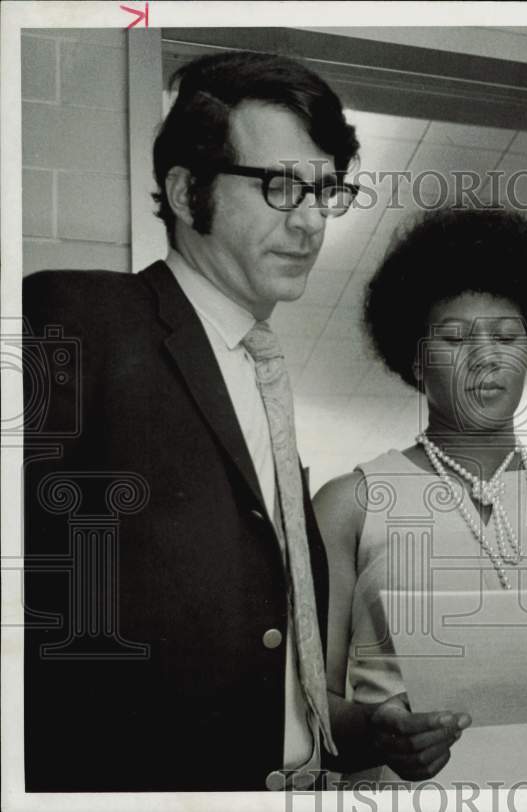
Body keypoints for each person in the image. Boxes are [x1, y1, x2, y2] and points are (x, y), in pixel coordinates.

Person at [22, 51, 359, 791]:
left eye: (327, 191)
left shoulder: (260, 369)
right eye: (279, 186)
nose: (310, 222)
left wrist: (348, 734)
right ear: (185, 190)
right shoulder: (74, 318)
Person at [313, 208, 527, 789]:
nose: (486, 357)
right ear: (414, 358)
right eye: (455, 338)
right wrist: (376, 730)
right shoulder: (350, 504)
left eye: (506, 337)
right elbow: (310, 705)